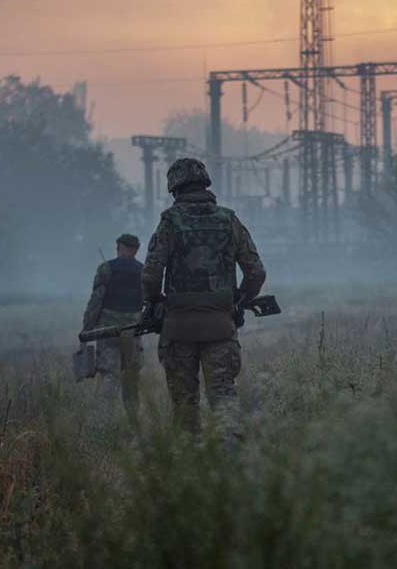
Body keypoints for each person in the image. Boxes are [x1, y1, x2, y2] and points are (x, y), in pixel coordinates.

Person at [141, 158, 266, 437]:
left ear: (174, 188)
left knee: (184, 409)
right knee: (224, 402)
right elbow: (256, 272)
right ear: (205, 183)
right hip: (220, 328)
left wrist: (155, 303)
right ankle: (232, 466)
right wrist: (239, 300)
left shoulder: (169, 222)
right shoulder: (228, 220)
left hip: (178, 329)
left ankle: (190, 470)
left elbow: (150, 275)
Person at [82, 233, 145, 416]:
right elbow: (147, 300)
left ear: (120, 247)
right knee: (131, 377)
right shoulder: (143, 271)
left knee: (110, 374)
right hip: (133, 331)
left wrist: (87, 328)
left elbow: (96, 301)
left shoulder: (106, 269)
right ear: (135, 250)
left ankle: (104, 419)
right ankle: (134, 420)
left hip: (108, 331)